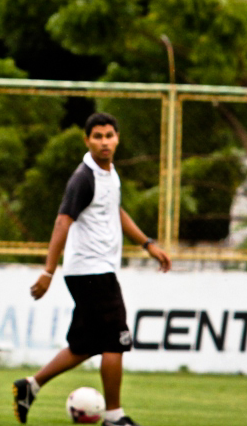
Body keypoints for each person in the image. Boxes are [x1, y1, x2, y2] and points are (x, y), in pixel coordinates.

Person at [12, 112, 172, 426]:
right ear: (87, 141)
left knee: (85, 344)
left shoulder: (109, 173)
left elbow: (115, 209)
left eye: (109, 135)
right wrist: (48, 272)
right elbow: (62, 222)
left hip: (95, 271)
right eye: (97, 136)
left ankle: (30, 386)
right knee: (116, 340)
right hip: (91, 271)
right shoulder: (83, 177)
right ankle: (114, 416)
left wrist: (148, 244)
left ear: (117, 138)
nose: (104, 142)